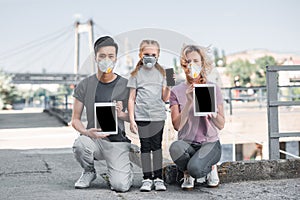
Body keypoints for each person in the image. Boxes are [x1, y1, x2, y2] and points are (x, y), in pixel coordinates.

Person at [72, 36, 138, 192]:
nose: (106, 60)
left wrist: (122, 114)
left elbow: (134, 118)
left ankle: (121, 169)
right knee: (80, 144)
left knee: (120, 186)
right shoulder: (84, 85)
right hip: (94, 140)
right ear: (95, 57)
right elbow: (75, 119)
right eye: (102, 56)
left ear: (116, 59)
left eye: (110, 56)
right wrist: (86, 132)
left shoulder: (126, 85)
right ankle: (89, 171)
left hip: (117, 142)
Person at [169, 44, 225, 190]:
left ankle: (211, 168)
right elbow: (176, 126)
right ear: (183, 65)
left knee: (197, 170)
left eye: (195, 61)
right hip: (187, 143)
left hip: (210, 143)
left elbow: (221, 124)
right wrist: (188, 101)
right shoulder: (176, 91)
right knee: (175, 148)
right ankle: (186, 172)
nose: (191, 65)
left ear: (202, 64)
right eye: (187, 62)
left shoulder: (213, 88)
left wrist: (212, 113)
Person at [127, 39, 170, 192]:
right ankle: (146, 178)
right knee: (145, 147)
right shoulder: (135, 74)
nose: (150, 57)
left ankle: (158, 178)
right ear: (140, 54)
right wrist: (132, 120)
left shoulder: (166, 72)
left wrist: (169, 85)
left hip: (158, 116)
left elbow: (165, 98)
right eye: (146, 54)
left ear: (158, 55)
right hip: (142, 116)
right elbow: (131, 98)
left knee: (157, 147)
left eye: (153, 54)